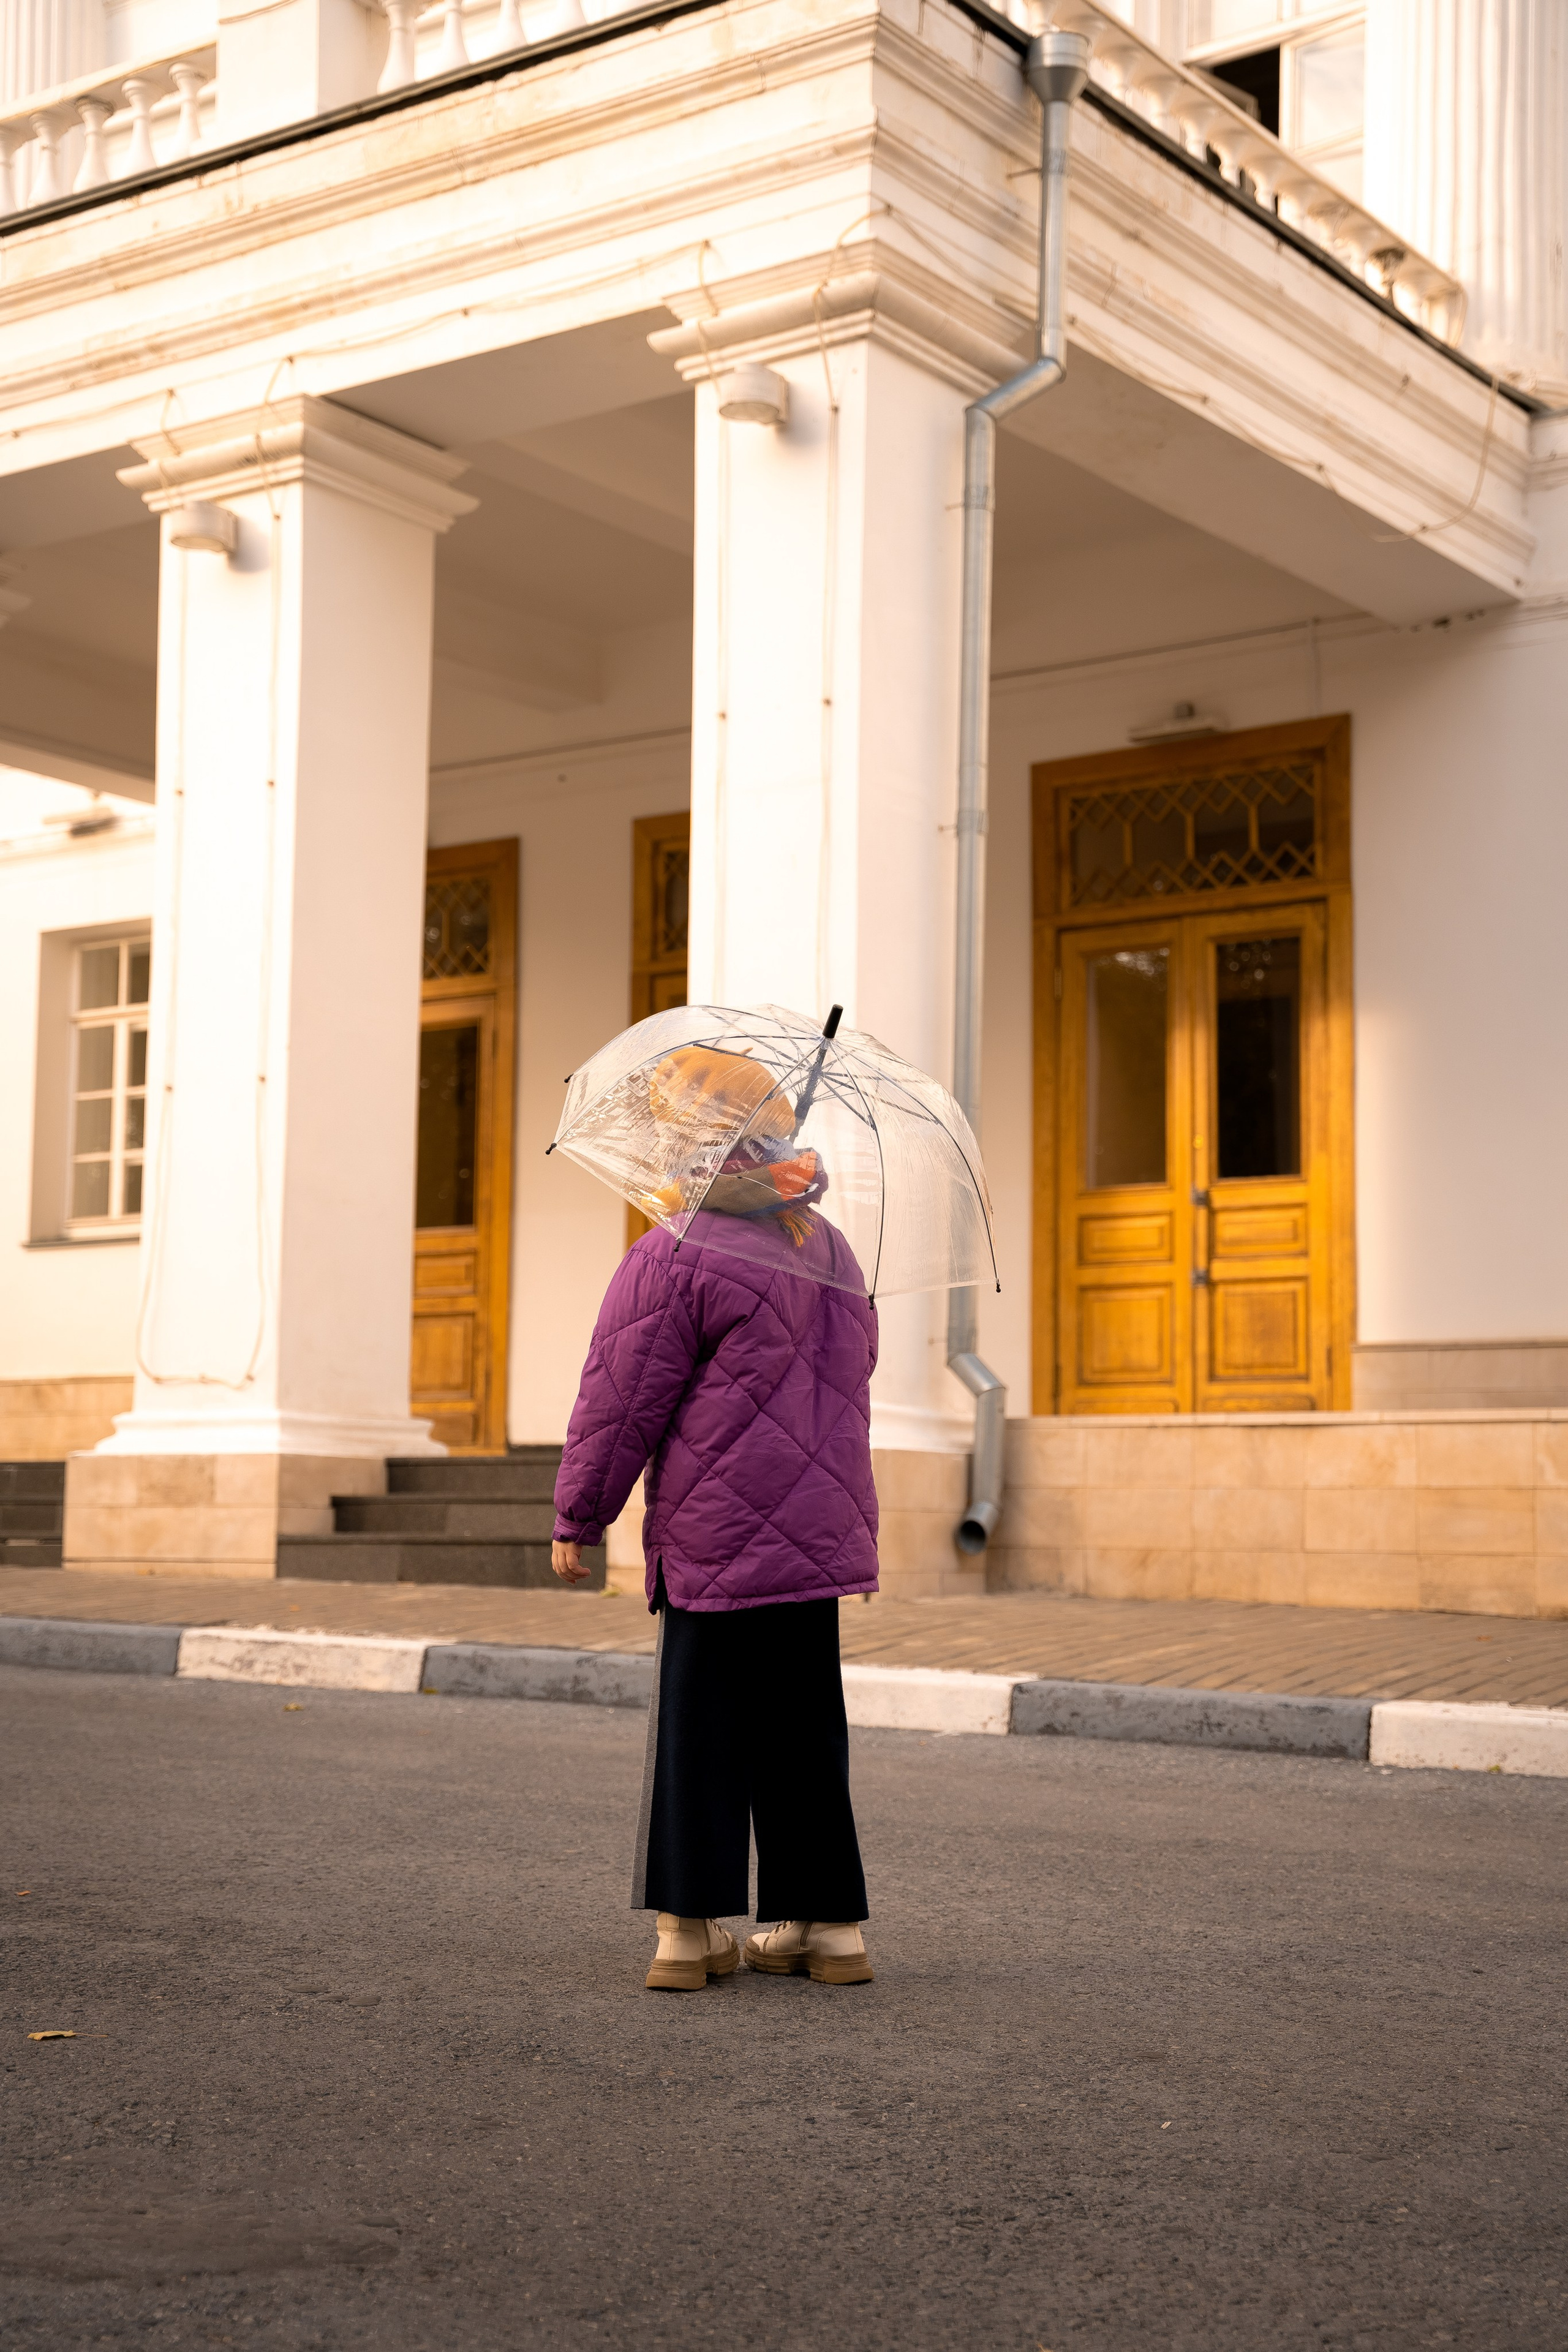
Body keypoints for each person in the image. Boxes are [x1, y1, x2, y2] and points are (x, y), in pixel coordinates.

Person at [551, 1044, 879, 1991]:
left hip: (715, 1534)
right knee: (806, 1726)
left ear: (698, 1141)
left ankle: (688, 1935)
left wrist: (582, 1514)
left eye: (669, 1127)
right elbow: (851, 1379)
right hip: (817, 1532)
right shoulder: (831, 1248)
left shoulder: (675, 1252)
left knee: (703, 1726)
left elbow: (621, 1400)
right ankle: (830, 1929)